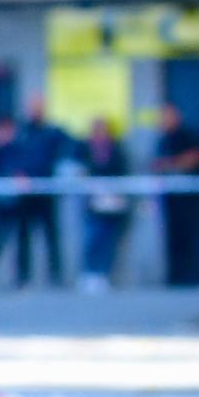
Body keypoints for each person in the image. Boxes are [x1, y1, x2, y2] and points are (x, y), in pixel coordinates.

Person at [0, 101, 69, 288]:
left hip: (46, 191)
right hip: (25, 194)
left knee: (51, 235)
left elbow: (69, 149)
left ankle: (56, 275)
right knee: (23, 236)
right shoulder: (22, 133)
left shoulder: (53, 132)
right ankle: (23, 276)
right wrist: (16, 174)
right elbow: (8, 156)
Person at [149, 101, 199, 286]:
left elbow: (194, 158)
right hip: (169, 199)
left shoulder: (187, 136)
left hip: (188, 199)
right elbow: (156, 165)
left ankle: (193, 277)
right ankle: (176, 278)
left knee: (190, 237)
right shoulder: (162, 140)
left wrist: (171, 163)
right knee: (173, 239)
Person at [75, 116, 132, 291]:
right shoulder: (85, 149)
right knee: (93, 238)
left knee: (109, 239)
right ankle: (89, 272)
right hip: (93, 201)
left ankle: (103, 274)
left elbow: (123, 171)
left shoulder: (117, 149)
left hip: (113, 202)